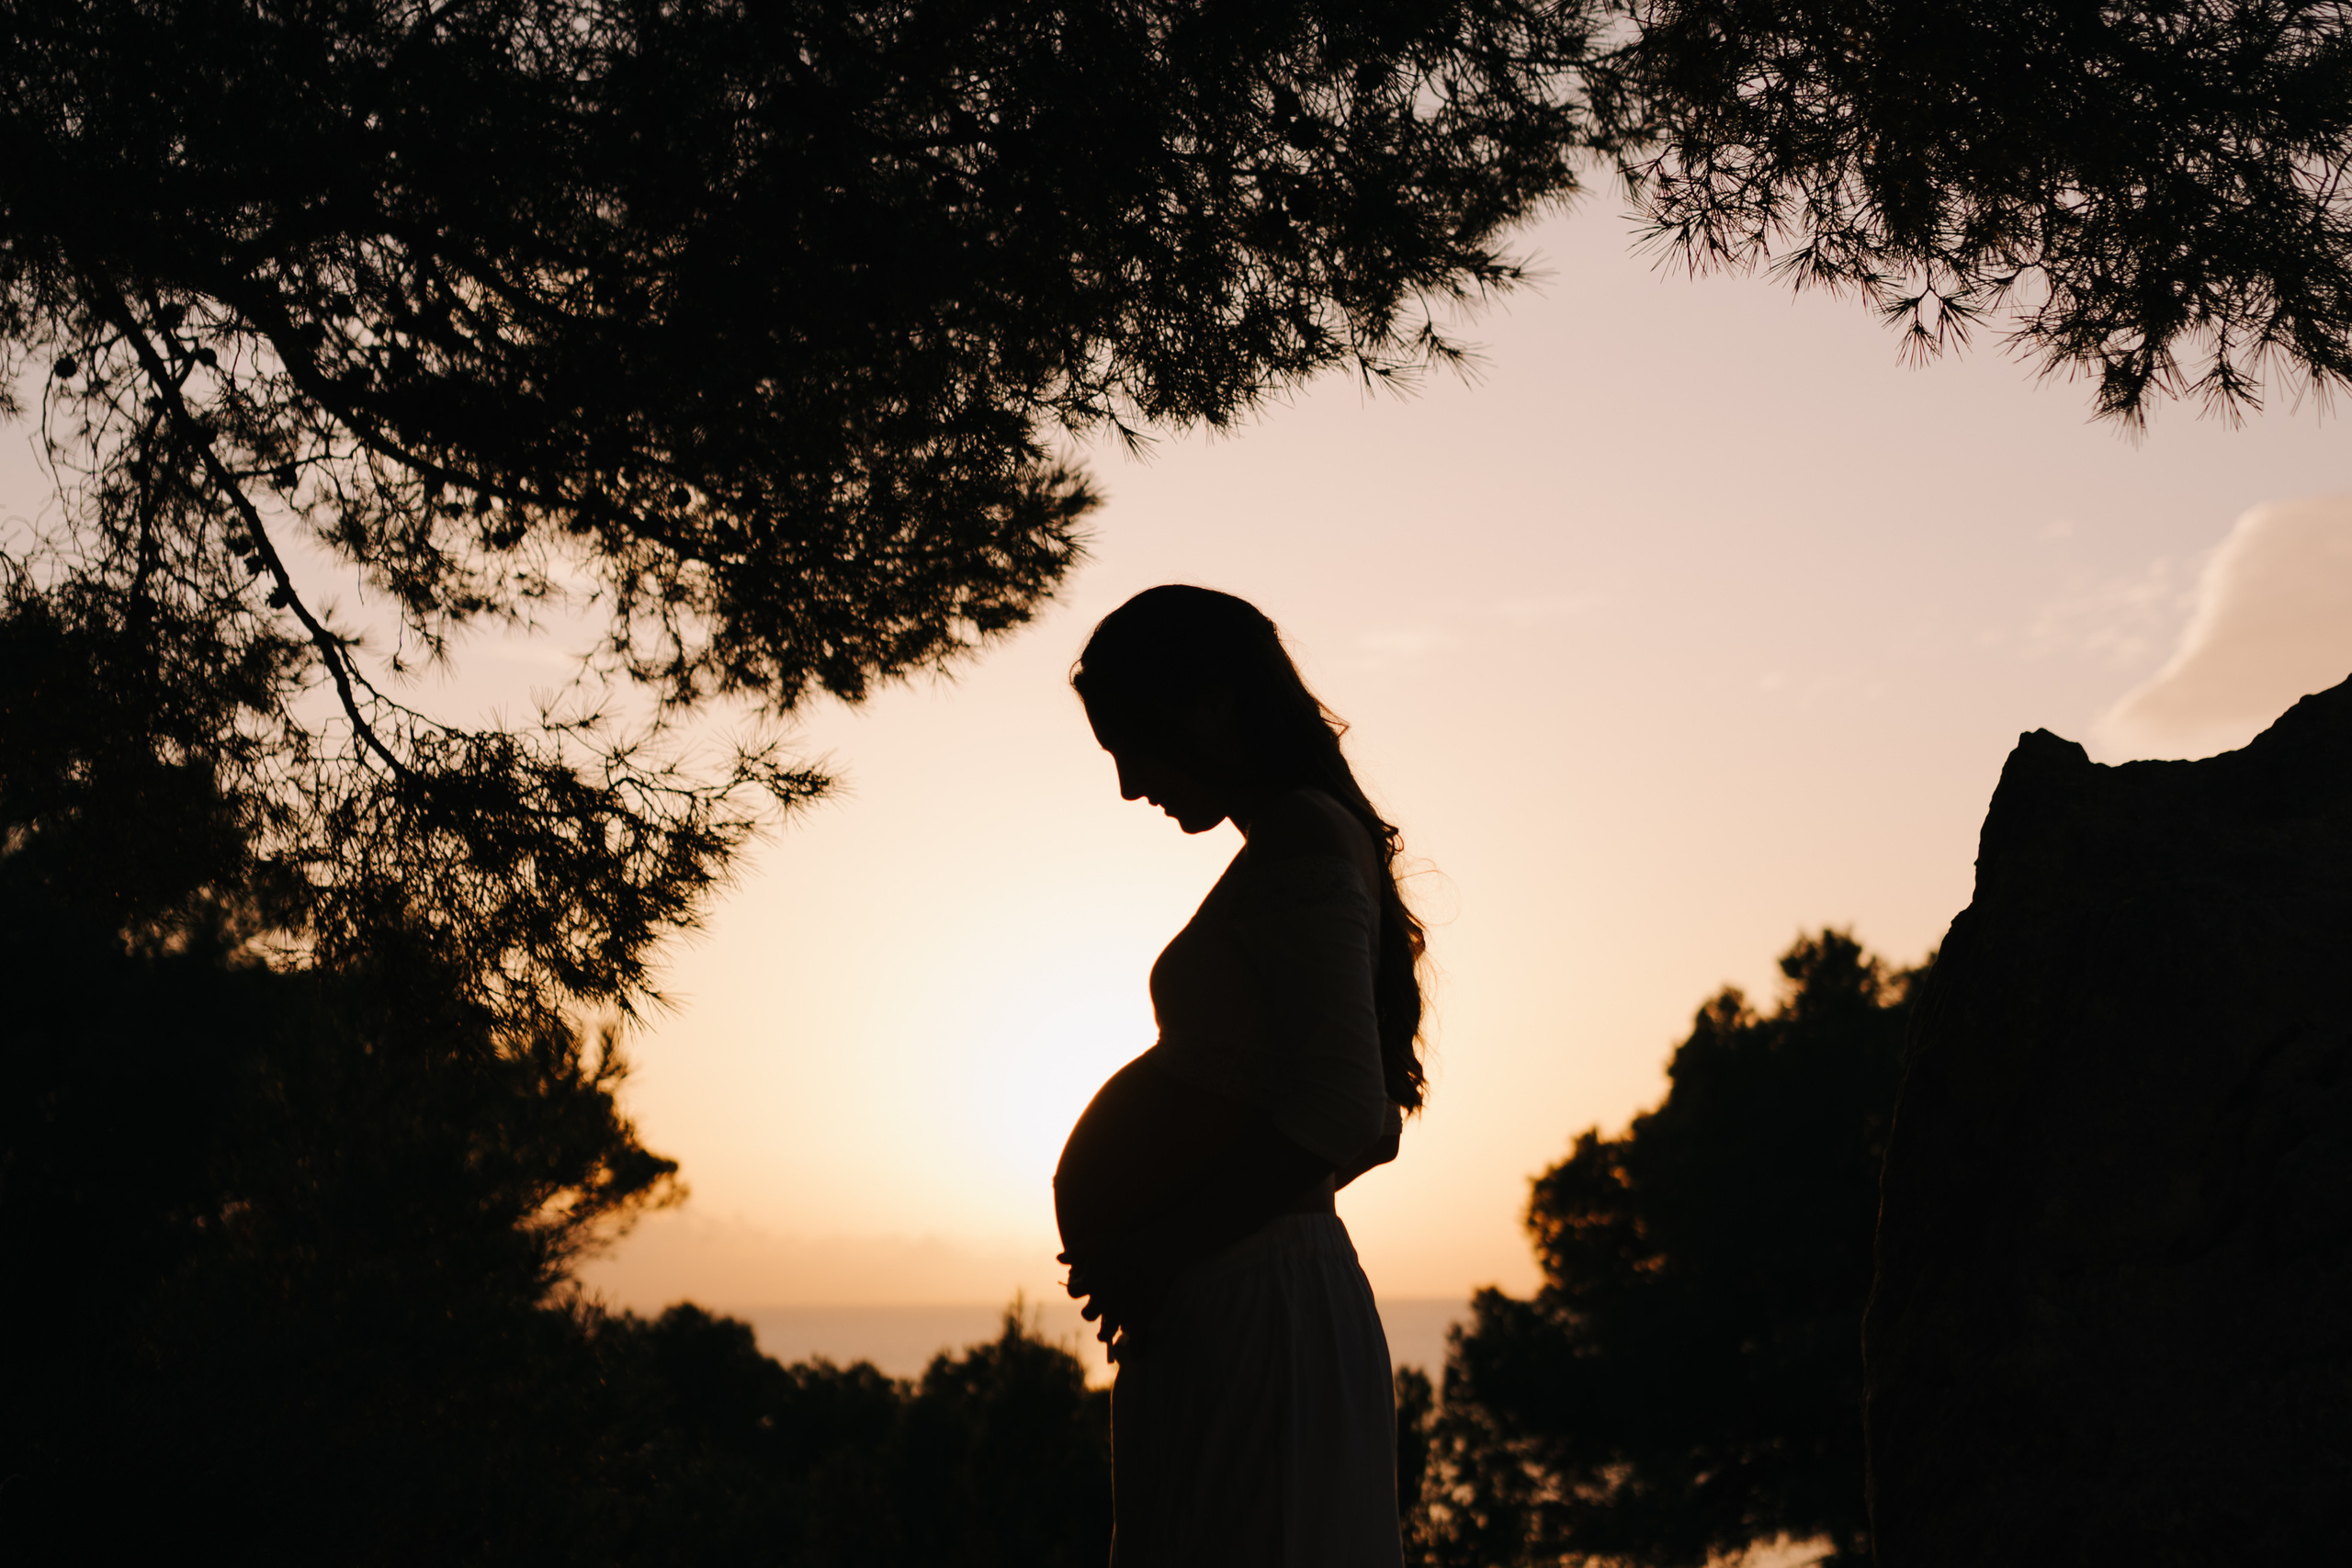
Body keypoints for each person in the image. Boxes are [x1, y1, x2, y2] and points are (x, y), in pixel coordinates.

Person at [1054, 585, 1427, 1566]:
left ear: (1210, 706)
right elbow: (1367, 1118)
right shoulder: (1302, 842)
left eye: (1135, 743)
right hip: (1246, 1295)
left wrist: (1165, 1241)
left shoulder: (1303, 839)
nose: (1133, 784)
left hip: (1257, 1306)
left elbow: (1347, 1112)